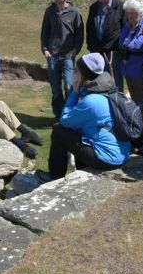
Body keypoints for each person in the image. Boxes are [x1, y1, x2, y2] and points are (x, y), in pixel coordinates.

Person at [36, 53, 130, 181]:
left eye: (76, 71)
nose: (73, 73)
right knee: (79, 131)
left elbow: (65, 120)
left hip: (108, 158)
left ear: (83, 75)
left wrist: (74, 93)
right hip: (121, 153)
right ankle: (81, 171)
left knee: (59, 131)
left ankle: (54, 177)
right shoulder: (108, 90)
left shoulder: (91, 101)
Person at [40, 0, 84, 118]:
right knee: (56, 88)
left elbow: (80, 34)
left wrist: (75, 50)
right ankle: (59, 116)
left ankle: (70, 115)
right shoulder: (50, 11)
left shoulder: (75, 12)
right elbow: (44, 32)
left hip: (68, 56)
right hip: (52, 55)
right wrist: (45, 49)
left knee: (69, 87)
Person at [85, 0, 126, 92]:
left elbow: (125, 29)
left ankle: (118, 106)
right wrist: (90, 46)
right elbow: (89, 28)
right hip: (96, 52)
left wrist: (119, 49)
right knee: (99, 83)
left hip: (113, 53)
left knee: (115, 82)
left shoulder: (120, 7)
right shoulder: (94, 7)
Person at [118, 0, 143, 104]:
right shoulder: (127, 27)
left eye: (133, 13)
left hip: (141, 72)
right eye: (128, 13)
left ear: (140, 12)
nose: (130, 16)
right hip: (128, 70)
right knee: (135, 100)